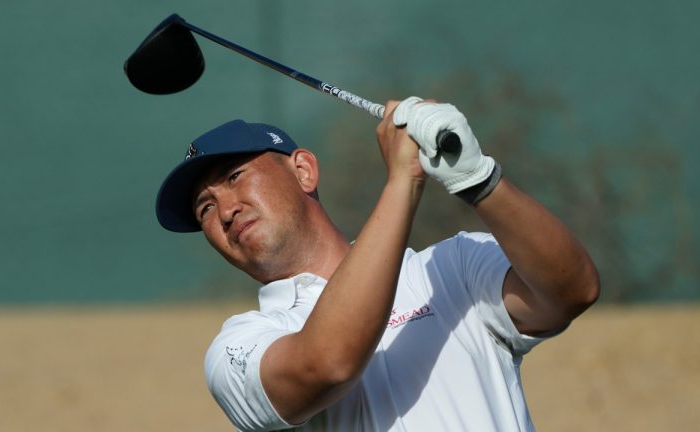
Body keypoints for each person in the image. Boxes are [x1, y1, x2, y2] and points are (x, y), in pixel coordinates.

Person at [155, 97, 600, 431]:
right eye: (205, 210)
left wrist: (477, 178)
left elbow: (573, 290)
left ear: (304, 171)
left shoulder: (450, 267)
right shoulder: (237, 348)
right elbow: (328, 364)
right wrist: (403, 180)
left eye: (234, 178)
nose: (226, 210)